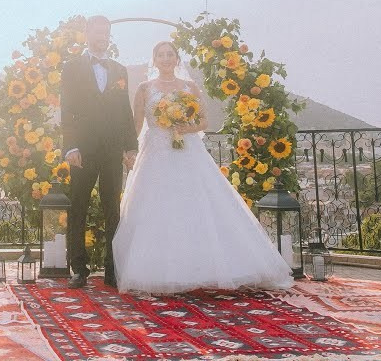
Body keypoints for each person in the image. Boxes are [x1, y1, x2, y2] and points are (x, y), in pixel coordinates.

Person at [111, 39, 294, 295]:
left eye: (170, 54)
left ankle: (207, 269)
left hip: (187, 150)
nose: (166, 58)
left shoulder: (190, 86)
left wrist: (187, 128)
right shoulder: (144, 88)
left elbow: (204, 121)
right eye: (161, 55)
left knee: (197, 203)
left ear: (177, 59)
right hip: (155, 152)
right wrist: (129, 150)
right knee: (156, 205)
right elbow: (136, 124)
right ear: (154, 60)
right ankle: (158, 271)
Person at [60, 14, 138, 289]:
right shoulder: (71, 67)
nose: (102, 36)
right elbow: (67, 108)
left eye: (106, 32)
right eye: (97, 32)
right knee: (78, 206)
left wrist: (130, 147)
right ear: (87, 34)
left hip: (112, 149)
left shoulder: (119, 70)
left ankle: (112, 270)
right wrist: (71, 147)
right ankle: (78, 269)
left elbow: (125, 111)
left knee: (112, 209)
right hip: (82, 150)